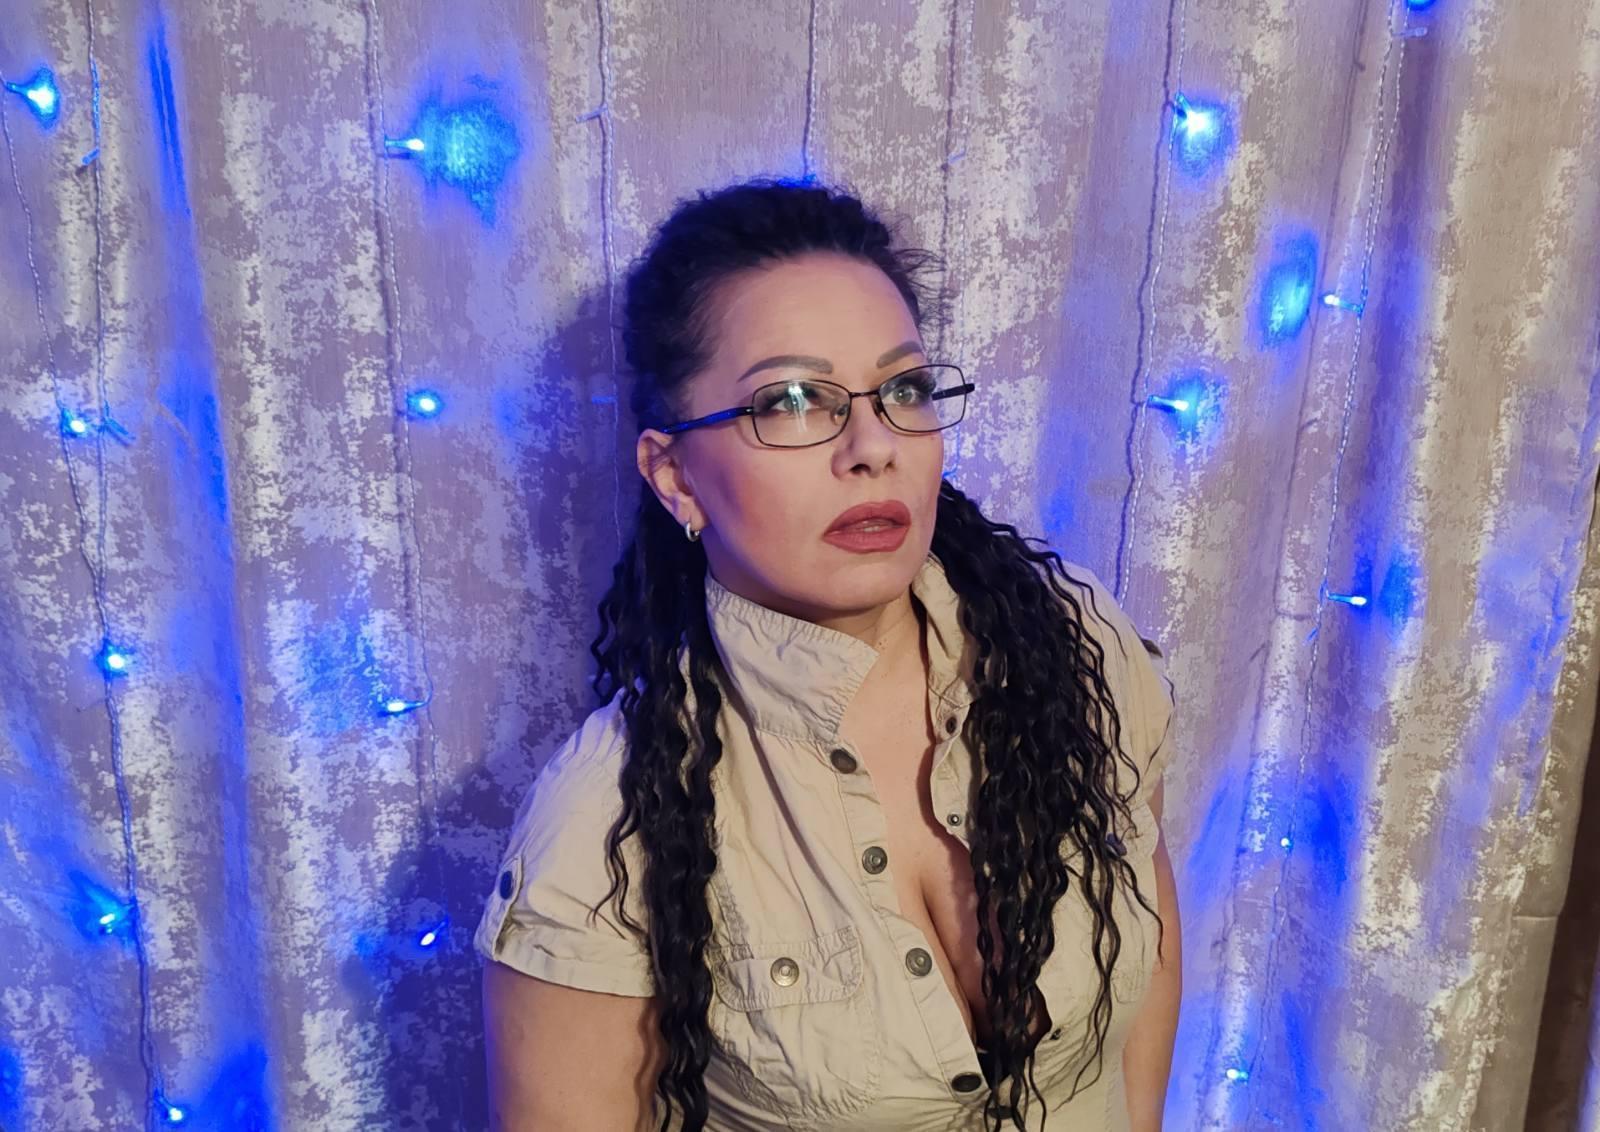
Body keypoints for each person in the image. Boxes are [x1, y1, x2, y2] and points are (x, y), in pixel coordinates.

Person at [475, 177, 1181, 1131]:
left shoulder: (1075, 645)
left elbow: (1146, 936)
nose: (872, 446)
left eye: (904, 389)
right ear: (675, 477)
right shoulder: (605, 828)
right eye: (792, 401)